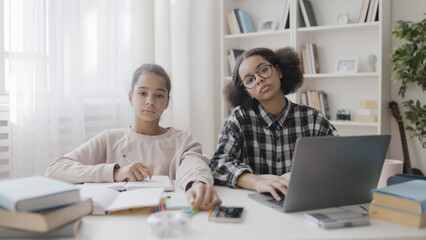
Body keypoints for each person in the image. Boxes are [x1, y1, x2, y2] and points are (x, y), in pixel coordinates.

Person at [46, 64, 221, 210]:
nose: (150, 101)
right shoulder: (110, 139)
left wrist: (198, 185)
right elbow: (55, 169)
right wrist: (115, 172)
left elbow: (194, 167)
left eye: (159, 95)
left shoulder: (183, 141)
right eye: (143, 93)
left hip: (165, 221)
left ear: (167, 101)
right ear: (131, 97)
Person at [210, 47, 338, 201]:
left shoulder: (312, 119)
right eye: (250, 80)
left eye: (263, 70)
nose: (258, 79)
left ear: (279, 71)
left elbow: (339, 159)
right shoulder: (239, 118)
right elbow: (218, 164)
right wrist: (258, 182)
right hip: (256, 204)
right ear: (247, 92)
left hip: (304, 201)